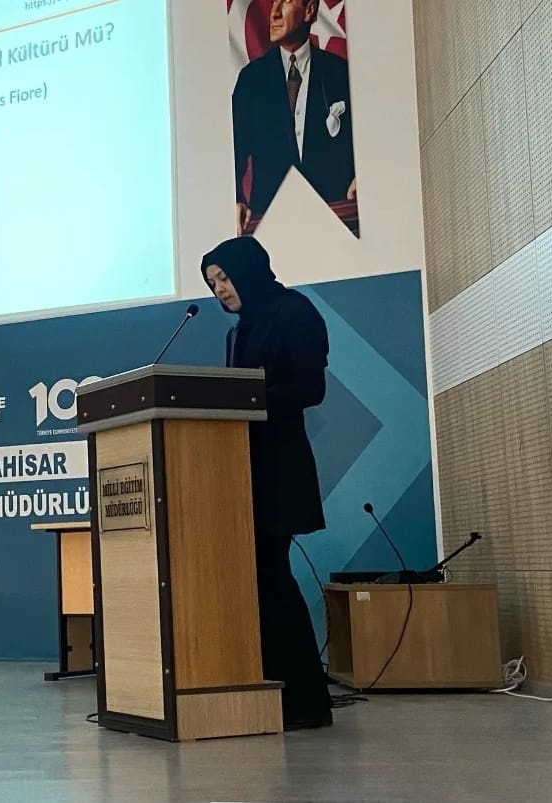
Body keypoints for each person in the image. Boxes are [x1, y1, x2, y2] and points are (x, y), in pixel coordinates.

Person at [201, 235, 333, 730]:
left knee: (272, 579)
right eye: (213, 283)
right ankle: (277, 690)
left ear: (249, 270)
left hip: (278, 469)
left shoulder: (293, 312)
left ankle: (306, 702)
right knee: (259, 580)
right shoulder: (239, 331)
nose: (220, 289)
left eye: (225, 277)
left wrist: (247, 400)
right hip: (242, 470)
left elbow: (311, 388)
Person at [233, 0, 356, 234]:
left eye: (286, 1)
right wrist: (235, 199)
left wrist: (363, 176)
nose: (274, 13)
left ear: (309, 10)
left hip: (336, 222)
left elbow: (365, 139)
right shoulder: (251, 80)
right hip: (269, 223)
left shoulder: (340, 72)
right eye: (274, 2)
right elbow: (234, 151)